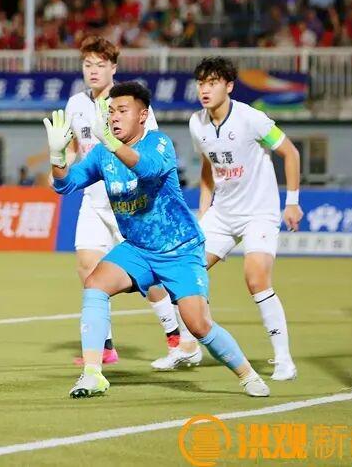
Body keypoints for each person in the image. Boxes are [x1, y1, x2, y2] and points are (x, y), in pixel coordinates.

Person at [45, 81, 270, 398]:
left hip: (179, 249)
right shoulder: (102, 154)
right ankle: (93, 374)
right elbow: (65, 185)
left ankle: (247, 375)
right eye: (111, 112)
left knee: (198, 325)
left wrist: (112, 143)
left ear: (142, 115)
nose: (114, 117)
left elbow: (148, 170)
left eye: (123, 111)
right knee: (95, 284)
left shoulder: (159, 143)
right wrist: (57, 157)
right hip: (138, 249)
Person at [149, 57, 302, 379]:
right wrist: (204, 210)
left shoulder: (251, 119)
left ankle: (284, 359)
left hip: (259, 213)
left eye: (213, 83)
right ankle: (188, 346)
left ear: (229, 86)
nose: (204, 90)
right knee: (180, 272)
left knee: (256, 279)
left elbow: (290, 152)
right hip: (222, 214)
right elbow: (208, 166)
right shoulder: (197, 123)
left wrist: (292, 202)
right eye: (201, 83)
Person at [63, 36, 180, 365]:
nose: (93, 71)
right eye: (88, 64)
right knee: (87, 266)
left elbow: (149, 148)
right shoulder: (75, 104)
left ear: (113, 68)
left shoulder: (130, 103)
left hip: (129, 201)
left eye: (100, 65)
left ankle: (175, 337)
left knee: (147, 277)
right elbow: (73, 148)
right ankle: (105, 346)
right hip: (93, 200)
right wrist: (61, 165)